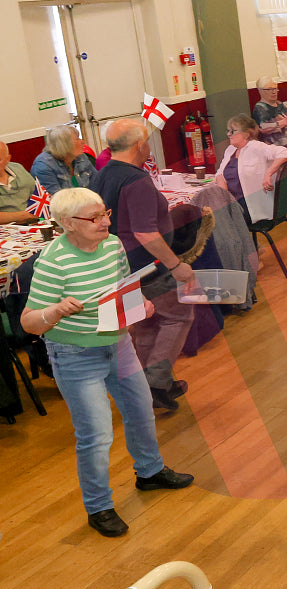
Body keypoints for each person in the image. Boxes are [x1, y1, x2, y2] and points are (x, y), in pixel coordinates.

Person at [20, 187, 194, 537]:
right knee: (96, 434)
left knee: (141, 410)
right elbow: (28, 321)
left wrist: (140, 304)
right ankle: (98, 506)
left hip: (119, 344)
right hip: (75, 356)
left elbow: (122, 288)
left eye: (106, 213)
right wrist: (53, 311)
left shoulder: (112, 244)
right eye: (95, 217)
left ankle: (149, 472)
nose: (105, 222)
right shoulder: (53, 262)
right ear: (68, 224)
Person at [89, 118, 196, 410]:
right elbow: (145, 232)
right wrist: (176, 266)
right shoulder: (136, 180)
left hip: (119, 265)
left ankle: (145, 384)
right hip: (146, 265)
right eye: (147, 140)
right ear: (140, 146)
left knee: (147, 324)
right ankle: (156, 381)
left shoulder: (101, 175)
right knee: (178, 316)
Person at [214, 114, 287, 226]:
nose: (228, 134)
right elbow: (220, 172)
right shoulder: (230, 150)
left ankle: (242, 243)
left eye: (233, 131)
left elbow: (285, 153)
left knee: (215, 222)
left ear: (246, 134)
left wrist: (268, 173)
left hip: (251, 207)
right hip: (232, 203)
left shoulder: (256, 147)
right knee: (208, 214)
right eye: (228, 131)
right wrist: (222, 186)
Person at [30, 125, 96, 195]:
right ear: (64, 145)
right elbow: (57, 200)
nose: (82, 141)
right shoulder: (43, 166)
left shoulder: (81, 157)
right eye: (77, 139)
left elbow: (99, 182)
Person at [252, 77, 287, 148]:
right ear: (260, 91)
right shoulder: (260, 108)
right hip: (279, 143)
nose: (274, 92)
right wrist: (286, 121)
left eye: (275, 88)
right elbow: (264, 129)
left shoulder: (279, 104)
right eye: (269, 89)